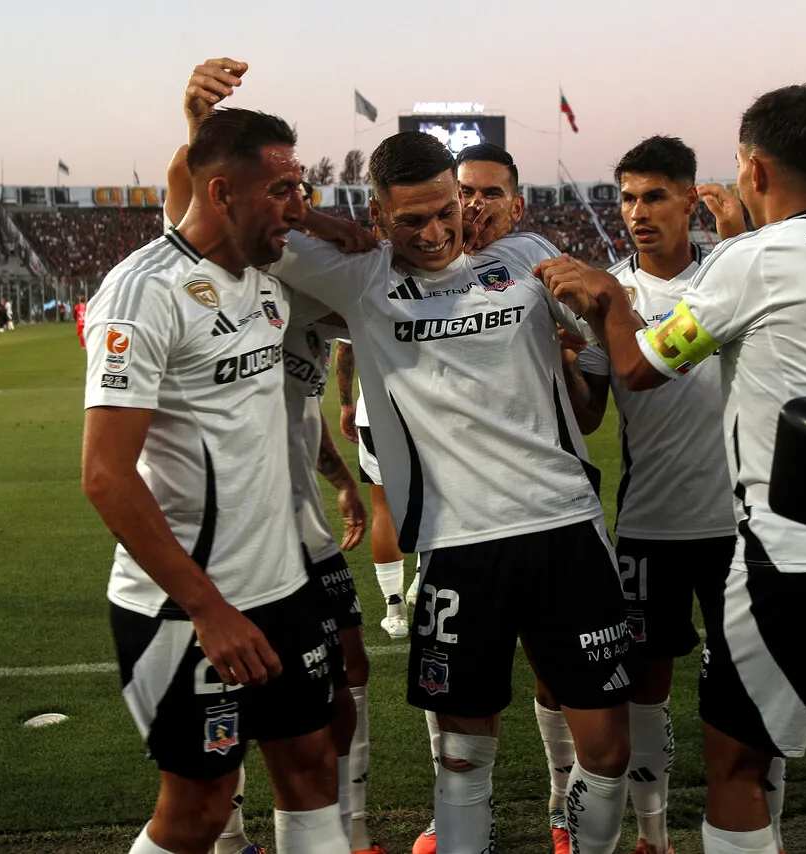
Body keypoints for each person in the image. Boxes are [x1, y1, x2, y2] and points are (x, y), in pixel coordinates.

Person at [539, 84, 806, 854]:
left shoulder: (749, 259)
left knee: (737, 769)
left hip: (786, 556)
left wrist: (610, 298)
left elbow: (640, 368)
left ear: (752, 169)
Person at [274, 130, 634, 854]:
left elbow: (619, 355)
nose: (437, 232)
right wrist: (315, 217)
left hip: (565, 528)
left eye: (448, 210)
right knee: (463, 762)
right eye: (412, 220)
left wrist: (607, 306)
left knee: (607, 752)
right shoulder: (361, 276)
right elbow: (227, 223)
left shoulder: (526, 256)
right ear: (378, 215)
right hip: (458, 546)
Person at [81, 105, 347, 854]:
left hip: (282, 590)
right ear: (223, 193)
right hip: (186, 610)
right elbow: (104, 475)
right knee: (199, 810)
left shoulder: (265, 279)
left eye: (301, 188)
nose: (299, 207)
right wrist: (208, 609)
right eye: (282, 190)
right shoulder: (143, 293)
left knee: (311, 766)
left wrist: (334, 228)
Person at [561, 135, 786, 854]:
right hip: (650, 525)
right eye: (627, 198)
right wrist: (565, 366)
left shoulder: (730, 276)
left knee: (753, 689)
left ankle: (769, 830)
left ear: (691, 199)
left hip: (737, 526)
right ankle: (652, 836)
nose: (637, 212)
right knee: (644, 691)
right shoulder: (608, 293)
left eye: (654, 196)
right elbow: (590, 415)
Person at [333, 340, 415, 639]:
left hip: (377, 411)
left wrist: (346, 404)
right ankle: (423, 580)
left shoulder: (363, 302)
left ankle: (395, 611)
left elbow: (345, 349)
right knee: (437, 497)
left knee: (383, 508)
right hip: (429, 406)